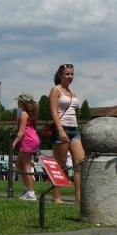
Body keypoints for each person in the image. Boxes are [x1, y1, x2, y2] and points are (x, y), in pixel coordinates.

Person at [49, 64, 85, 204]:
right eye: (67, 74)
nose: (70, 77)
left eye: (72, 74)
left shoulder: (72, 93)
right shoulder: (55, 90)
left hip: (74, 129)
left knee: (80, 163)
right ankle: (56, 196)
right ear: (60, 75)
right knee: (60, 164)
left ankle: (79, 198)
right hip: (62, 128)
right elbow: (53, 111)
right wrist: (60, 130)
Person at [12, 94, 40, 201]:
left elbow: (21, 132)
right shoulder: (31, 113)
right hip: (33, 139)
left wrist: (13, 143)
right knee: (19, 163)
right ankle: (26, 188)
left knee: (26, 166)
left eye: (18, 101)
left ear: (22, 102)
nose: (17, 103)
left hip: (27, 140)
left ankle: (31, 193)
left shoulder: (23, 114)